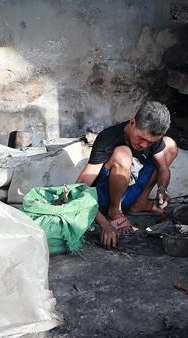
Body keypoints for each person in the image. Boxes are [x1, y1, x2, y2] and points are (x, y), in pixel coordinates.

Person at [76, 101, 179, 249]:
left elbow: (163, 168)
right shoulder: (108, 138)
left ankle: (139, 204)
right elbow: (80, 187)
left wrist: (162, 189)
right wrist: (103, 223)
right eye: (141, 139)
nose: (144, 145)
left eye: (150, 142)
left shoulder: (151, 138)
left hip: (132, 192)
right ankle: (114, 212)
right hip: (106, 198)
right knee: (123, 153)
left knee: (170, 145)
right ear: (132, 123)